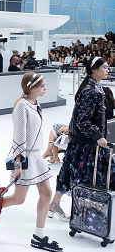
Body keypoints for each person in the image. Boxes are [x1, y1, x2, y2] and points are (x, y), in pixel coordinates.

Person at [0, 72, 62, 252]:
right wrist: (18, 165)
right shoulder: (22, 106)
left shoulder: (34, 104)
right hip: (26, 158)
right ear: (31, 87)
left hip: (37, 157)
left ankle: (39, 236)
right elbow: (19, 138)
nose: (45, 88)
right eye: (42, 85)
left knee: (46, 193)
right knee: (18, 198)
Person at [49, 56, 115, 222]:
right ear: (94, 69)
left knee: (70, 171)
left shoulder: (94, 87)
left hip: (83, 141)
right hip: (86, 143)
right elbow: (82, 121)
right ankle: (87, 211)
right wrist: (98, 136)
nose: (107, 70)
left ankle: (59, 204)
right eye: (105, 67)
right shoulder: (91, 91)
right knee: (90, 176)